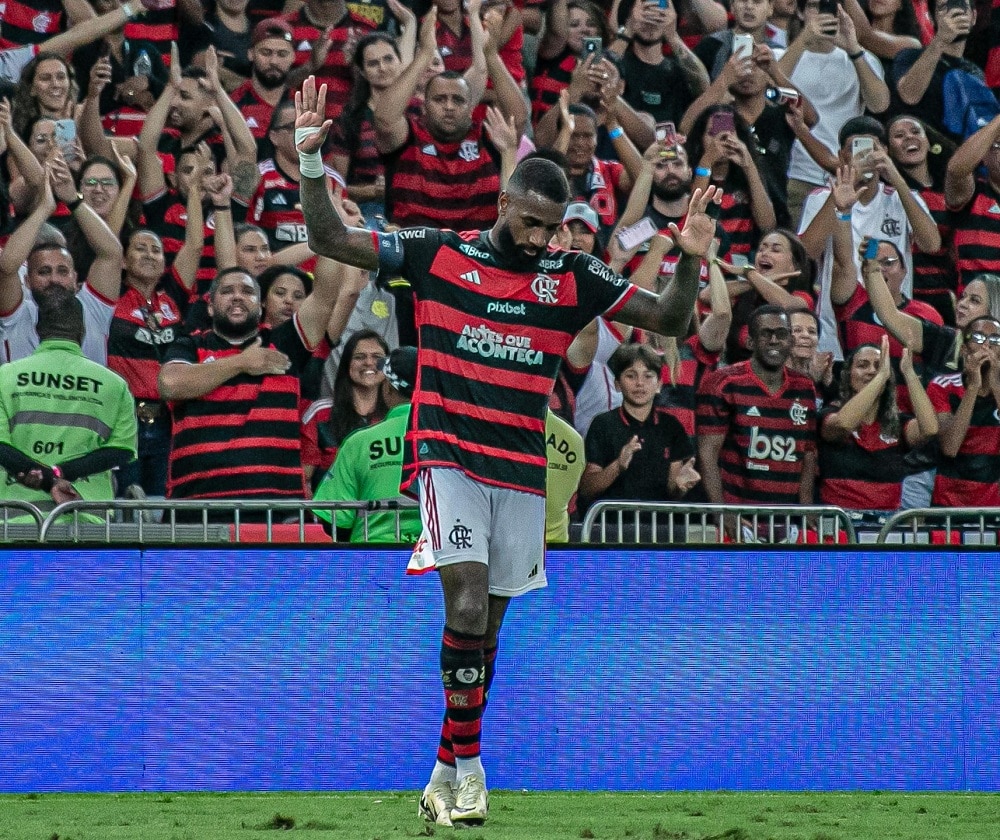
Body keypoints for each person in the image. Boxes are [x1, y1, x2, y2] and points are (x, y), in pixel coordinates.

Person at [295, 74, 719, 828]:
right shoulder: (433, 254)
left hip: (520, 472)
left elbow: (673, 319)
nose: (538, 240)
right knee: (461, 603)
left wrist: (687, 257)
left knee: (484, 636)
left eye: (550, 228)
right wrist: (306, 160)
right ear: (501, 205)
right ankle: (475, 773)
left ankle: (442, 767)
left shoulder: (572, 275)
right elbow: (331, 239)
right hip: (448, 458)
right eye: (528, 223)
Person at [157, 258, 341, 509]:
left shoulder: (286, 344)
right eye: (226, 291)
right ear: (210, 307)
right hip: (197, 509)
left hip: (275, 509)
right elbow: (169, 384)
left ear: (259, 305)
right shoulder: (189, 346)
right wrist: (242, 362)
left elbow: (325, 295)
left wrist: (332, 232)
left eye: (247, 291)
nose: (237, 297)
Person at [0, 287, 137, 515]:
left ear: (38, 330)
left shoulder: (5, 377)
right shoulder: (115, 385)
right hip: (88, 517)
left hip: (17, 516)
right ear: (82, 330)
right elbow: (121, 451)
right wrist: (60, 472)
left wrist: (45, 478)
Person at [696, 304, 818, 510]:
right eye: (766, 334)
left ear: (790, 340)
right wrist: (721, 511)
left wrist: (806, 511)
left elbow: (807, 455)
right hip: (738, 516)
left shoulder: (805, 388)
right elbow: (707, 454)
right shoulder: (723, 383)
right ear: (750, 342)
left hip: (787, 516)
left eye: (781, 334)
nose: (774, 340)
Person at [312, 345, 421, 542]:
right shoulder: (450, 441)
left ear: (387, 387)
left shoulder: (359, 442)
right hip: (437, 560)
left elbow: (335, 520)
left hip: (371, 560)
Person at [818, 335, 938, 514]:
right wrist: (881, 376)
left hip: (887, 523)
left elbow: (929, 429)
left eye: (878, 365)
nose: (871, 371)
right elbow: (844, 424)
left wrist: (909, 372)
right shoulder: (831, 414)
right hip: (840, 521)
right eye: (862, 365)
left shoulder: (896, 423)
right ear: (848, 375)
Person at [579, 343, 700, 507]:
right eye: (631, 376)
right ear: (617, 384)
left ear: (659, 385)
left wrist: (680, 486)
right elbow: (586, 490)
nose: (640, 383)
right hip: (613, 527)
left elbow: (673, 491)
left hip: (658, 527)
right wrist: (618, 466)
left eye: (648, 376)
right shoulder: (602, 424)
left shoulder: (672, 427)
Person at [926, 316, 1000, 506]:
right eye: (979, 338)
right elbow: (950, 447)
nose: (987, 346)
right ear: (964, 349)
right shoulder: (942, 387)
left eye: (995, 340)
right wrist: (974, 386)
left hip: (993, 512)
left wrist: (995, 382)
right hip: (949, 509)